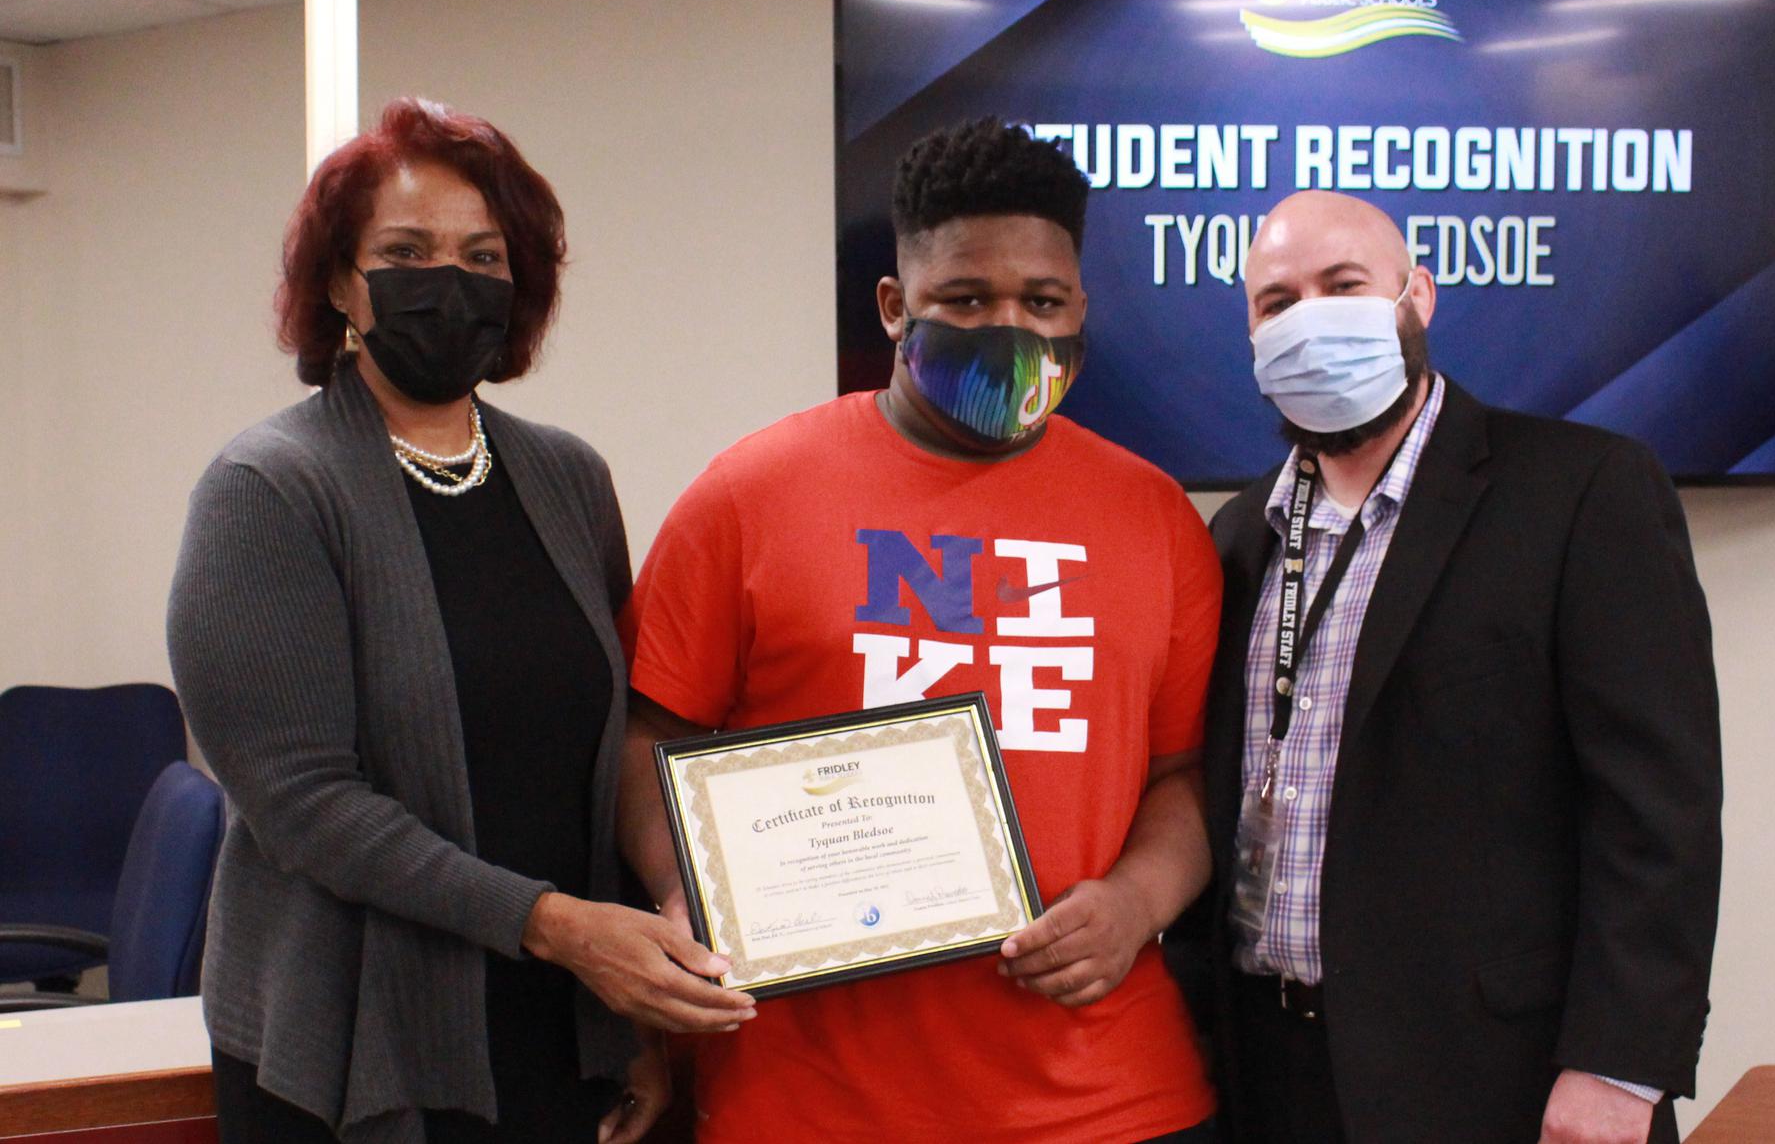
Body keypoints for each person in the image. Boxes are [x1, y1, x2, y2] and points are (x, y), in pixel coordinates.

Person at [617, 117, 1223, 1142]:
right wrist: (691, 891)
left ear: (1081, 307)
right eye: (967, 299)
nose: (1009, 329)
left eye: (1042, 301)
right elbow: (646, 735)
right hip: (811, 1098)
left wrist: (1133, 903)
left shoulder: (1157, 518)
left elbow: (1183, 775)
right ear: (895, 307)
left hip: (1107, 1097)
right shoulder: (749, 495)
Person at [167, 98, 753, 1144]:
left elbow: (607, 748)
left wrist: (637, 1019)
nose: (451, 282)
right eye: (408, 251)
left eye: (484, 255)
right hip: (356, 1043)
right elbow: (305, 803)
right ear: (343, 284)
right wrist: (559, 929)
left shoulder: (568, 479)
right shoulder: (266, 489)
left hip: (558, 1029)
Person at [1180, 189, 1722, 1144]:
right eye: (1278, 301)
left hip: (1494, 1080)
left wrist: (1620, 1068)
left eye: (1343, 285)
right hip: (1270, 1069)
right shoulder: (1240, 534)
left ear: (1416, 296)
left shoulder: (1583, 491)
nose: (1310, 318)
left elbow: (1657, 809)